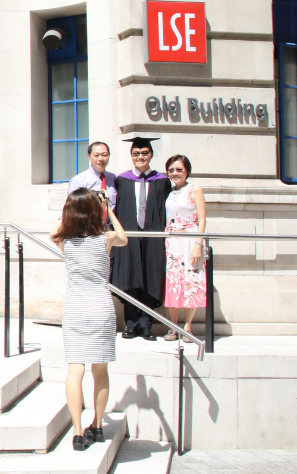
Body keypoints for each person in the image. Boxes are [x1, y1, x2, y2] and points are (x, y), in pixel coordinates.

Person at [51, 189, 128, 451]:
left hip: (75, 309)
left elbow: (54, 231)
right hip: (100, 308)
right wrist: (108, 209)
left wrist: (68, 210)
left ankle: (77, 431)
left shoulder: (65, 241)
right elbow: (123, 237)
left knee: (75, 371)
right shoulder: (105, 239)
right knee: (100, 371)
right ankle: (97, 425)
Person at [111, 137, 171, 341]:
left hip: (153, 236)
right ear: (131, 155)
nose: (140, 157)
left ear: (151, 155)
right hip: (129, 237)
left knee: (150, 278)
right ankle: (131, 324)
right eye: (136, 153)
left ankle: (146, 325)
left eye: (145, 153)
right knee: (129, 277)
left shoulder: (162, 181)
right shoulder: (122, 180)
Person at [162, 155, 207, 341]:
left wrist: (198, 244)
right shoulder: (168, 191)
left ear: (187, 171)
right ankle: (173, 326)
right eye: (171, 170)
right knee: (172, 282)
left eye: (179, 169)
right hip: (172, 240)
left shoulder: (195, 189)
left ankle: (188, 326)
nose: (175, 173)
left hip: (190, 239)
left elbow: (202, 220)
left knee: (191, 282)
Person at [66, 141, 117, 222]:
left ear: (109, 156)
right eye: (96, 155)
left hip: (111, 227)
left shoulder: (113, 178)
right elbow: (71, 208)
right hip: (88, 227)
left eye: (104, 155)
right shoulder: (78, 180)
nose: (100, 159)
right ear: (89, 156)